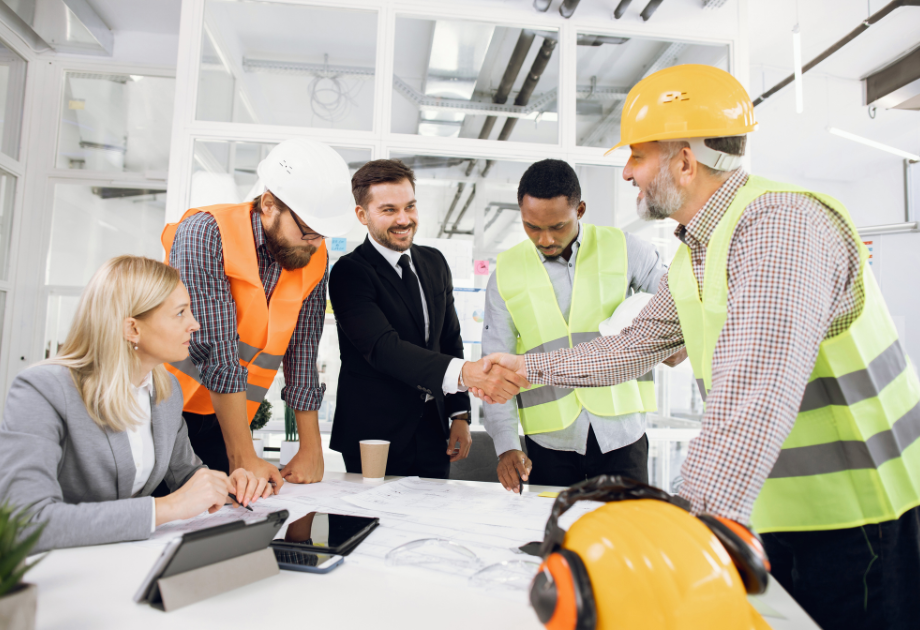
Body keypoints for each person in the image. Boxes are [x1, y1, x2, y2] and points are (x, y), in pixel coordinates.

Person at [475, 64, 920, 630]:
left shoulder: (779, 224)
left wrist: (681, 537)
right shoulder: (696, 250)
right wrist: (526, 368)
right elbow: (632, 347)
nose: (629, 172)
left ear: (684, 160)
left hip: (860, 518)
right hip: (773, 513)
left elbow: (755, 388)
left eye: (637, 155)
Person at [0, 256, 260, 553]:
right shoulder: (42, 389)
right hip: (56, 570)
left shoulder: (165, 390)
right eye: (180, 313)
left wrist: (224, 485)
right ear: (132, 329)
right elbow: (25, 522)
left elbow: (185, 474)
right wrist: (165, 508)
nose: (194, 324)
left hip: (127, 559)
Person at [164, 138, 355, 492]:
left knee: (222, 525)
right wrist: (243, 455)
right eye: (309, 231)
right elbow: (216, 350)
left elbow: (302, 350)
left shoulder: (312, 251)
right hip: (161, 411)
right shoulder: (205, 233)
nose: (316, 244)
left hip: (226, 417)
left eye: (322, 234)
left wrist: (311, 447)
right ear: (269, 205)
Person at [483, 159, 681, 492]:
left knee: (628, 538)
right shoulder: (504, 273)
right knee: (558, 540)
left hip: (623, 434)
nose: (545, 239)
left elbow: (676, 308)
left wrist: (673, 344)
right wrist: (506, 445)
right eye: (532, 226)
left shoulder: (627, 249)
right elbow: (495, 366)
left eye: (558, 226)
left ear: (581, 210)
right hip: (550, 443)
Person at [328, 159, 529, 479]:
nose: (404, 219)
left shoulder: (433, 262)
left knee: (432, 521)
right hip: (375, 434)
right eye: (389, 210)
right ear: (362, 216)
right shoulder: (349, 273)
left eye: (410, 206)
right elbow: (383, 348)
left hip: (433, 430)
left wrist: (459, 414)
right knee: (368, 524)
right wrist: (468, 374)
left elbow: (449, 339)